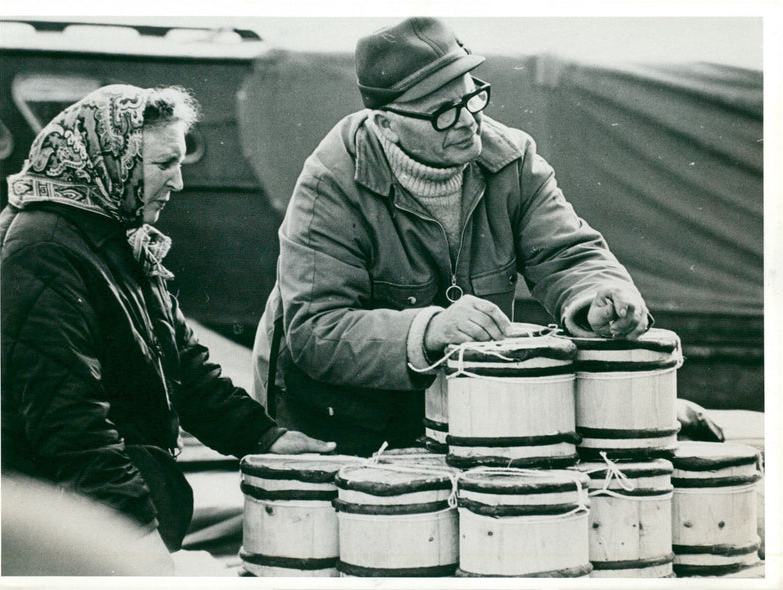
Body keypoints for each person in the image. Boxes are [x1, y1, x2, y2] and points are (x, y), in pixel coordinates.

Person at [251, 17, 654, 457]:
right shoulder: (330, 184)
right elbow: (316, 330)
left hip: (460, 406)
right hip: (336, 418)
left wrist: (598, 295)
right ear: (386, 125)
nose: (467, 122)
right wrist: (430, 327)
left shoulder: (513, 160)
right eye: (444, 112)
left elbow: (567, 255)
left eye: (472, 97)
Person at [0, 84, 335, 558]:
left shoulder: (118, 236)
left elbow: (187, 369)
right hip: (61, 524)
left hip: (98, 505)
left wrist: (266, 438)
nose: (178, 182)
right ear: (110, 158)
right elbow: (70, 422)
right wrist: (135, 534)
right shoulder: (43, 251)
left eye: (180, 162)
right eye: (163, 164)